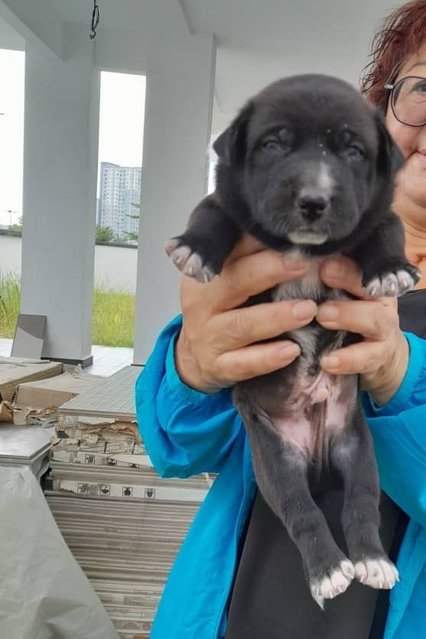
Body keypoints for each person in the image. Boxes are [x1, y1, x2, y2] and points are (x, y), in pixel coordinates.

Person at [135, 1, 426, 637]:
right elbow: (179, 447)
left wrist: (396, 373)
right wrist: (195, 366)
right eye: (424, 88)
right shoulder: (266, 237)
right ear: (378, 113)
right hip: (235, 609)